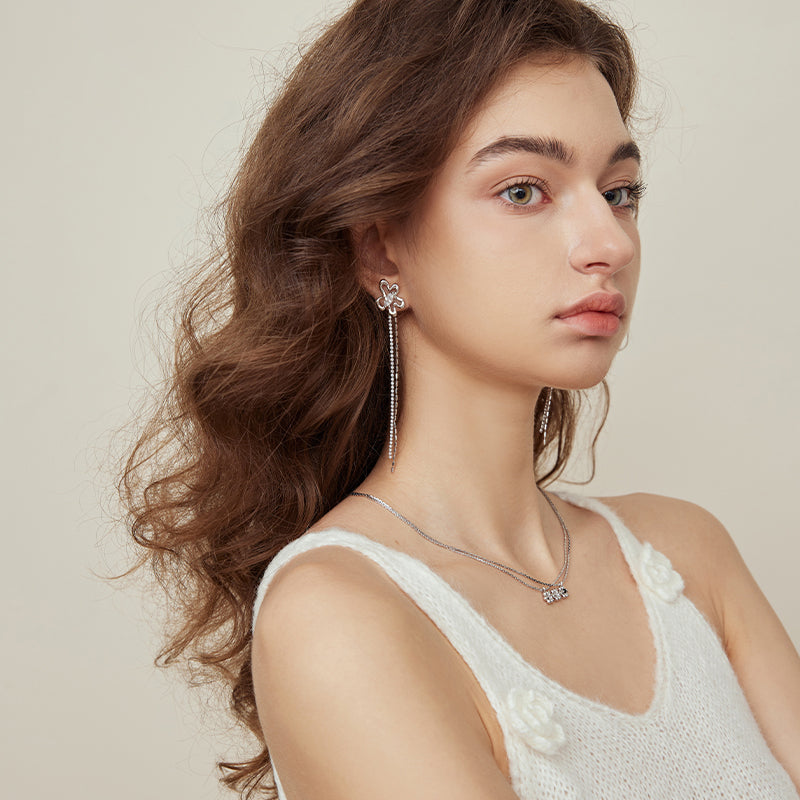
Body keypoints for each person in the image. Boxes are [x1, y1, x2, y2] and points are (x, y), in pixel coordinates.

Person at [121, 0, 800, 797]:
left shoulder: (687, 553)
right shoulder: (341, 610)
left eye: (619, 191)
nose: (611, 243)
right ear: (380, 248)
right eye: (524, 191)